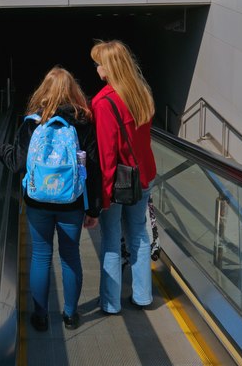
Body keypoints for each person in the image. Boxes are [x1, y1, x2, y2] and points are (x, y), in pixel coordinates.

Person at [0, 67, 102, 332]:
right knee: (70, 256)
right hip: (72, 202)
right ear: (74, 91)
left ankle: (40, 316)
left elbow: (17, 163)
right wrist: (93, 208)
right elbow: (92, 168)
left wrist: (3, 150)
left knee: (41, 256)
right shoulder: (83, 122)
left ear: (43, 90)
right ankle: (71, 315)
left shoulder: (31, 123)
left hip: (38, 201)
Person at [90, 40, 157, 314]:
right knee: (139, 234)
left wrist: (102, 199)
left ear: (109, 68)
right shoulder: (142, 93)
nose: (96, 67)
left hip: (118, 183)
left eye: (99, 63)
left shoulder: (104, 102)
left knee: (111, 238)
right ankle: (142, 296)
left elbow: (106, 157)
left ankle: (110, 302)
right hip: (144, 175)